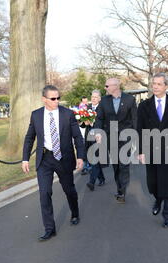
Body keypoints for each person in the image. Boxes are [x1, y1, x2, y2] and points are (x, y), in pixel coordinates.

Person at [22, 85, 85, 241]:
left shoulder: (68, 114)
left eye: (58, 98)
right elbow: (30, 137)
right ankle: (49, 228)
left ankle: (75, 213)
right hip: (45, 159)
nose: (57, 101)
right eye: (53, 98)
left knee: (69, 190)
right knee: (44, 193)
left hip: (64, 158)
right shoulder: (36, 115)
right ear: (44, 99)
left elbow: (77, 136)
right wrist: (25, 158)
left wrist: (80, 156)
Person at [137, 73, 168, 228]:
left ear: (166, 86)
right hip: (151, 150)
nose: (156, 87)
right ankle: (158, 199)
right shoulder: (144, 106)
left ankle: (167, 214)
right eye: (154, 84)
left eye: (159, 84)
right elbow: (140, 130)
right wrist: (140, 151)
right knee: (153, 182)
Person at [93, 78, 137, 204]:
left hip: (126, 136)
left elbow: (135, 118)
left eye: (107, 86)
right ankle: (119, 186)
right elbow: (99, 118)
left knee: (124, 164)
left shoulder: (129, 99)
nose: (105, 88)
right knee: (116, 165)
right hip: (110, 136)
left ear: (116, 86)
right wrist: (98, 132)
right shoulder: (104, 101)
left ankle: (122, 191)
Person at [86, 90, 106, 191]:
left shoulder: (102, 109)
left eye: (95, 97)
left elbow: (104, 123)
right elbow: (82, 123)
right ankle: (101, 178)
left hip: (99, 137)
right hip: (89, 137)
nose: (93, 99)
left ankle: (91, 182)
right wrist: (84, 122)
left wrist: (93, 124)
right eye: (92, 97)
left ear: (99, 99)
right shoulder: (88, 108)